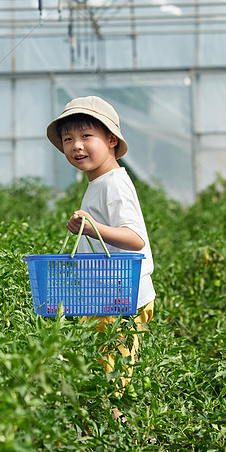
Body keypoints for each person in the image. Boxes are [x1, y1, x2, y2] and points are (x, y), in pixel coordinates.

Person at [47, 96, 155, 418]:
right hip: (106, 295)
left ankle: (113, 441)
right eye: (68, 139)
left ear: (111, 140)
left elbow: (134, 239)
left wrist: (93, 229)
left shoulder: (114, 185)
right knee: (98, 373)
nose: (76, 146)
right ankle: (100, 431)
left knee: (107, 382)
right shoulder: (99, 182)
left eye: (86, 136)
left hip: (124, 300)